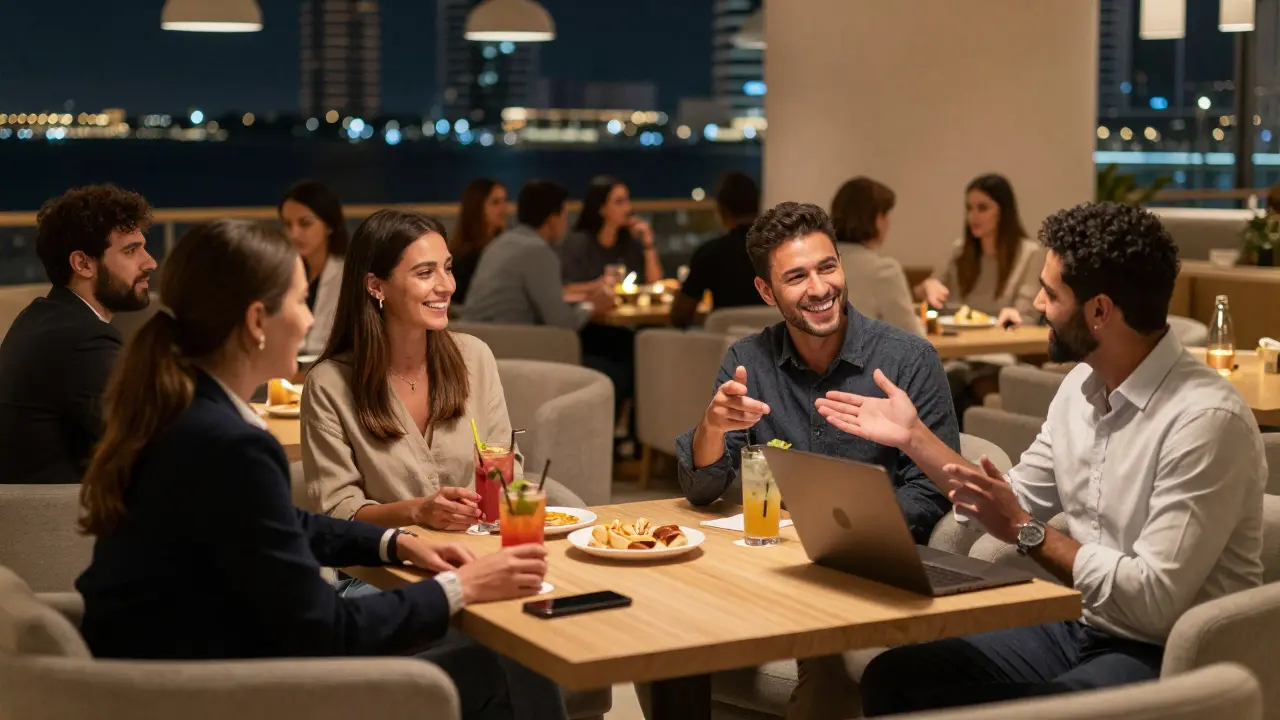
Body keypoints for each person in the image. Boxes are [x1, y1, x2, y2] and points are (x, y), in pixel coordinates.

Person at [75, 218, 562, 720]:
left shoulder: (187, 415)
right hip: (208, 693)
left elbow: (286, 526)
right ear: (256, 321)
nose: (310, 322)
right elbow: (328, 629)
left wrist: (395, 542)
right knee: (506, 663)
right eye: (300, 302)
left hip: (171, 668)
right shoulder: (230, 445)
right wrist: (465, 587)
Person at [813, 203, 1265, 716]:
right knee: (895, 677)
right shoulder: (1080, 386)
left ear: (1099, 311)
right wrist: (913, 437)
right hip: (1087, 625)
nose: (1035, 303)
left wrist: (1028, 531)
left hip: (1174, 653)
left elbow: (1153, 603)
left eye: (1050, 293)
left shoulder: (1205, 420)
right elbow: (1008, 496)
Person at [675, 201, 958, 545]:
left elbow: (932, 494)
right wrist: (711, 428)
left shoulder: (909, 360)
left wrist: (840, 527)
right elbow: (701, 491)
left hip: (879, 555)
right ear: (766, 291)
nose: (821, 288)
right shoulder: (748, 362)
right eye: (797, 277)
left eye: (827, 268)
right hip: (778, 558)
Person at [302, 207, 585, 532]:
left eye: (447, 269)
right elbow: (338, 512)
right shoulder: (329, 384)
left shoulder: (474, 358)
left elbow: (507, 473)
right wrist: (417, 512)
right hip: (382, 571)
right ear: (376, 286)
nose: (447, 285)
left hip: (478, 557)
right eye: (425, 273)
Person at [0, 184, 156, 484]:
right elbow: (148, 442)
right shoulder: (85, 342)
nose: (150, 262)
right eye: (131, 251)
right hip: (62, 522)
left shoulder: (42, 317)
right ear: (83, 263)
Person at [461, 179, 612, 328]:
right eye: (564, 215)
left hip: (476, 336)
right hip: (507, 342)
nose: (565, 223)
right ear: (552, 219)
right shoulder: (538, 251)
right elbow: (562, 323)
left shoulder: (502, 242)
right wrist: (591, 306)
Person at [914, 174, 1044, 327]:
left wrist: (1014, 317)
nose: (973, 216)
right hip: (958, 339)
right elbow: (923, 292)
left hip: (1002, 341)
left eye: (982, 208)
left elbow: (1027, 316)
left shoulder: (1030, 253)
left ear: (1003, 212)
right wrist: (928, 286)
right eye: (969, 208)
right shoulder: (959, 250)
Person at [671, 172, 766, 329]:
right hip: (776, 349)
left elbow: (679, 317)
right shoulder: (780, 250)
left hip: (725, 349)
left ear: (722, 210)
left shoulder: (709, 253)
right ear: (758, 207)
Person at [831, 177, 924, 337]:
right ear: (878, 219)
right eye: (887, 215)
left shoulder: (815, 264)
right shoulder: (882, 271)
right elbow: (913, 339)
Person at [279, 180, 347, 356]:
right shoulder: (282, 275)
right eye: (288, 225)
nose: (294, 234)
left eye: (305, 223)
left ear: (329, 225)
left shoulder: (349, 275)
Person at [560, 176, 662, 285]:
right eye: (619, 202)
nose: (627, 208)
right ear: (601, 208)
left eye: (627, 200)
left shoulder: (629, 241)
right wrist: (599, 285)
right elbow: (566, 288)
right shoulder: (579, 243)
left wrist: (648, 244)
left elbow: (654, 284)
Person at [450, 178, 509, 305]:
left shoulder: (506, 248)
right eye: (495, 202)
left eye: (505, 201)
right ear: (477, 207)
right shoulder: (466, 257)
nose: (504, 208)